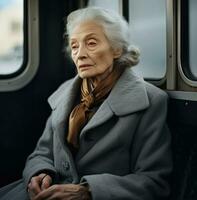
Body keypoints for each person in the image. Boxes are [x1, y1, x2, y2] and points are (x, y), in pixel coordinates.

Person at [0, 6, 172, 200]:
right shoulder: (65, 93)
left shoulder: (150, 101)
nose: (79, 54)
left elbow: (154, 182)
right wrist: (40, 174)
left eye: (90, 43)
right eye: (74, 46)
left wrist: (88, 192)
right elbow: (41, 153)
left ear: (116, 49)